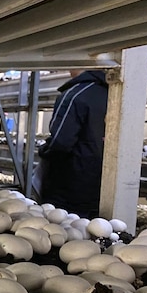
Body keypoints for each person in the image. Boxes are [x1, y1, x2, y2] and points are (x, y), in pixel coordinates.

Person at [34, 69, 108, 218]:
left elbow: (60, 142)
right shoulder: (112, 94)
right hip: (101, 183)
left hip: (70, 184)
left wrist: (44, 152)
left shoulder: (74, 95)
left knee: (62, 227)